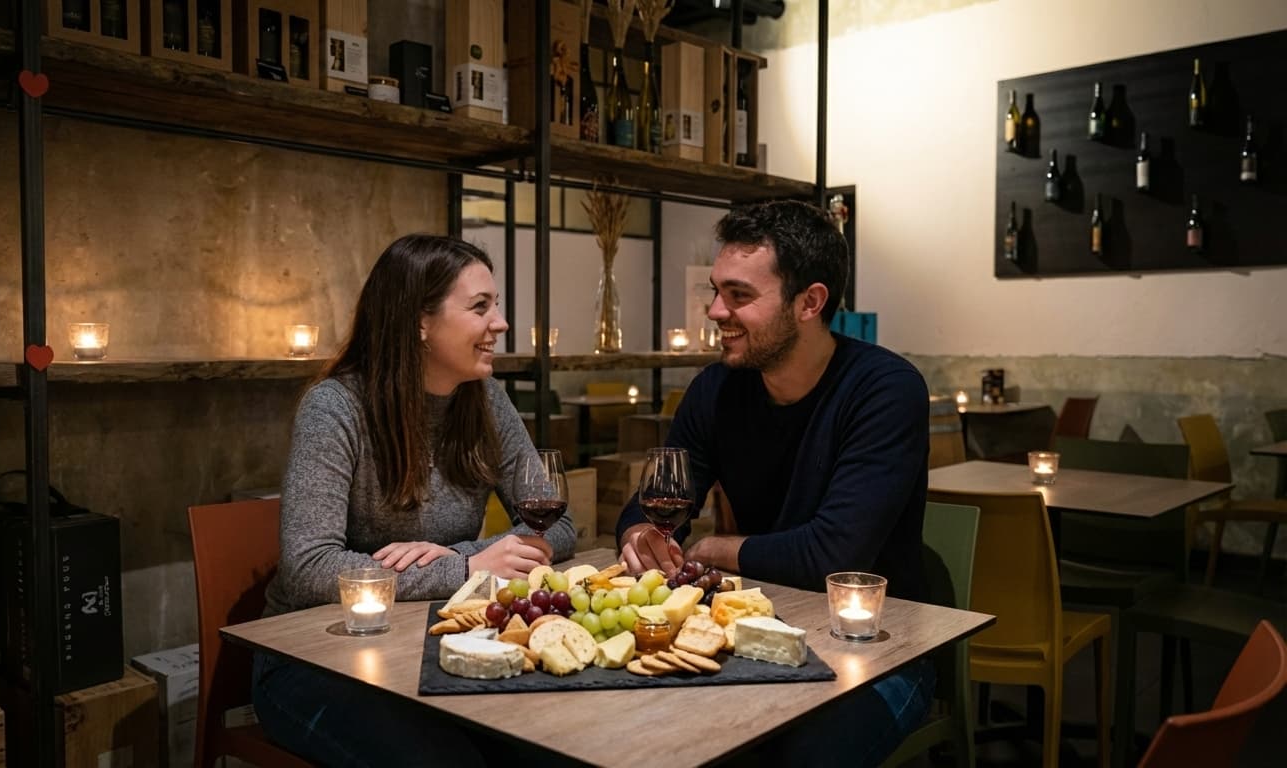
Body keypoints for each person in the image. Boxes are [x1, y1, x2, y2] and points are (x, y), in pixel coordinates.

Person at [616, 200, 933, 767]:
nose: (715, 311)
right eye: (716, 292)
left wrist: (712, 548)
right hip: (757, 630)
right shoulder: (716, 389)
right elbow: (656, 503)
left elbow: (833, 556)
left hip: (882, 647)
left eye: (739, 296)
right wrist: (641, 535)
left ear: (809, 302)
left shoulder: (884, 390)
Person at [254, 234, 576, 767]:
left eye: (495, 305)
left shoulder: (484, 397)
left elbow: (557, 525)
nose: (500, 323)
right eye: (480, 307)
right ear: (419, 322)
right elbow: (308, 567)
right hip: (314, 659)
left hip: (437, 642)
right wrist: (468, 568)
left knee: (558, 744)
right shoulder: (335, 407)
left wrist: (473, 555)